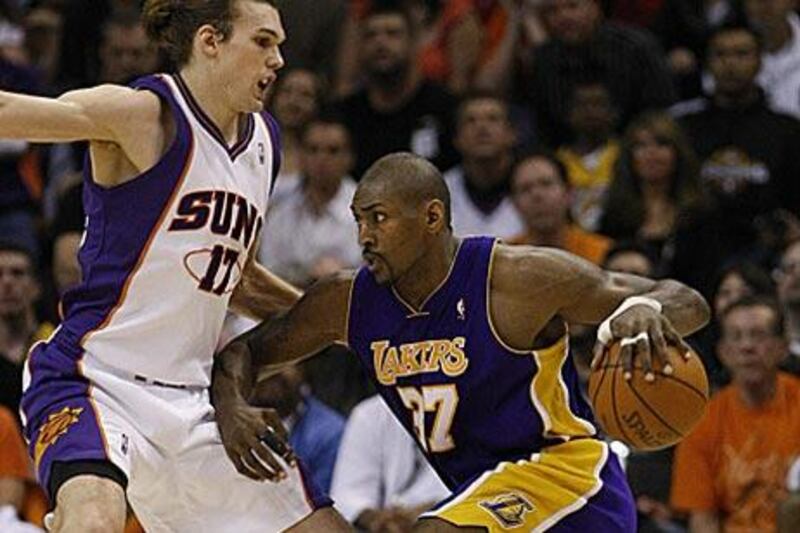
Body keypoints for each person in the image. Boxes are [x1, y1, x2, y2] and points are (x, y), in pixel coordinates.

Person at [213, 152, 710, 531]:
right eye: (358, 218)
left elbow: (687, 300)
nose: (364, 235)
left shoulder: (515, 279)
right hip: (484, 498)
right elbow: (247, 351)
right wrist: (231, 404)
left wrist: (643, 310)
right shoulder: (348, 301)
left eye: (379, 218)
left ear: (431, 218)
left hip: (569, 482)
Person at [1, 1, 350, 532]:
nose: (278, 59)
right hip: (94, 380)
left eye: (279, 43)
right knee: (94, 521)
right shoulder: (144, 114)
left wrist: (336, 322)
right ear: (210, 42)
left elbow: (238, 277)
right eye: (262, 42)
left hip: (190, 402)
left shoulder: (264, 143)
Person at [671, 296, 800, 532]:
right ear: (723, 351)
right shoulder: (704, 421)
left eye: (758, 335)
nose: (747, 347)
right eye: (736, 336)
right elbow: (703, 520)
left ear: (783, 347)